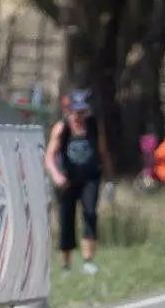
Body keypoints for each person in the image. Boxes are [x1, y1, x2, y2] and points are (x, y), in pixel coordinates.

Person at [43, 90, 114, 274]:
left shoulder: (93, 126)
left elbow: (103, 151)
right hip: (67, 181)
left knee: (90, 214)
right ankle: (66, 264)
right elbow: (49, 157)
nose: (79, 116)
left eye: (82, 112)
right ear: (69, 111)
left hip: (90, 178)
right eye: (76, 112)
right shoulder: (62, 129)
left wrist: (109, 179)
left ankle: (88, 260)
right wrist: (57, 176)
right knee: (66, 219)